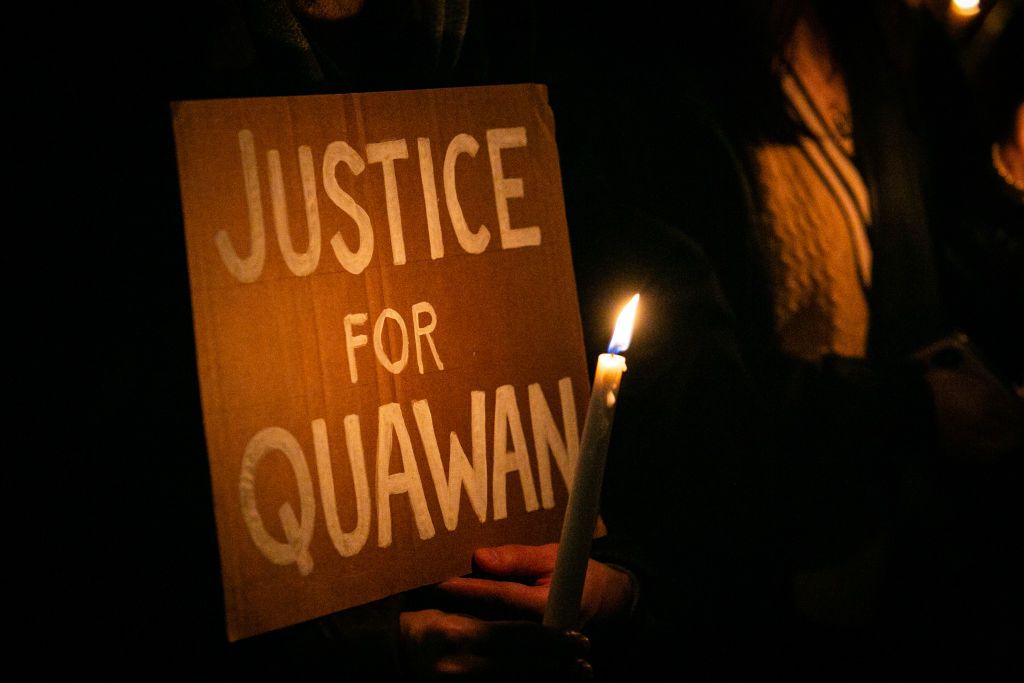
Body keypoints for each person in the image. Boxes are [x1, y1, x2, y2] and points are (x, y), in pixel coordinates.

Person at [404, 1, 1024, 679]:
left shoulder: (882, 43)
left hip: (904, 580)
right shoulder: (647, 67)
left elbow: (946, 254)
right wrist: (911, 407)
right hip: (750, 604)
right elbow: (692, 411)